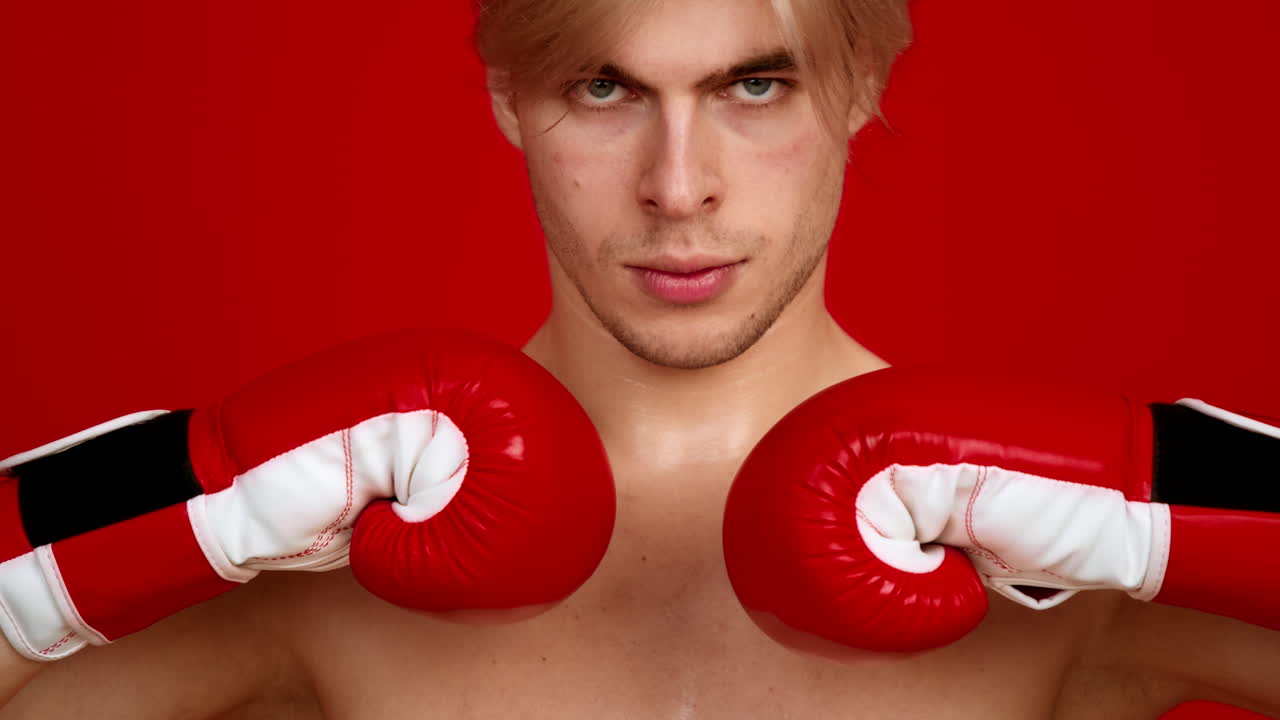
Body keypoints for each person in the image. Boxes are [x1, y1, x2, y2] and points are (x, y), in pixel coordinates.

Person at [3, 0, 1279, 717]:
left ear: (858, 89)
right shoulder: (309, 549)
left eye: (754, 87)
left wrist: (1169, 495)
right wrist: (197, 487)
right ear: (509, 100)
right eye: (604, 91)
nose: (679, 187)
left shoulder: (1074, 558)